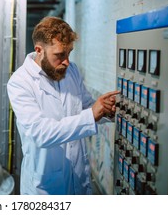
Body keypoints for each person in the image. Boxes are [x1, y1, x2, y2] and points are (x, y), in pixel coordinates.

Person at [7, 16, 119, 195]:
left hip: (78, 176)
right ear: (39, 50)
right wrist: (91, 115)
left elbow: (86, 106)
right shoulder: (20, 82)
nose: (66, 61)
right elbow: (40, 134)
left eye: (69, 53)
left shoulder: (71, 70)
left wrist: (105, 110)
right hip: (46, 187)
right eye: (60, 55)